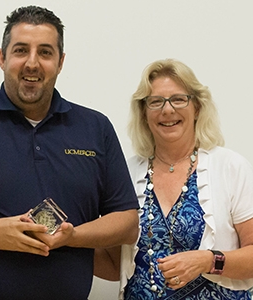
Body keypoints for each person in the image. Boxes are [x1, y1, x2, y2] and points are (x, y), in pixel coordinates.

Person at [0, 5, 139, 300]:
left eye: (45, 52)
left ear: (60, 62)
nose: (32, 63)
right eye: (21, 50)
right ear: (2, 57)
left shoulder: (95, 127)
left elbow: (127, 221)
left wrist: (73, 236)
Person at [96, 58, 253, 299]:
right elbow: (115, 265)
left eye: (179, 99)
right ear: (144, 113)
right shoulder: (127, 173)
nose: (167, 110)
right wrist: (62, 241)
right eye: (156, 102)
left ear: (197, 107)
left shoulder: (231, 167)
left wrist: (207, 261)